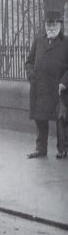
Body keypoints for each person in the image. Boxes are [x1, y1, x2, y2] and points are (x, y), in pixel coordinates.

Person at [25, 9, 68, 159]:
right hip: (40, 86)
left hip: (58, 88)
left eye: (53, 24)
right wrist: (32, 76)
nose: (50, 28)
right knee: (40, 118)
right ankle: (40, 148)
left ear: (60, 25)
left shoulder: (66, 42)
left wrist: (63, 83)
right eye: (48, 24)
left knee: (61, 120)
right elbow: (29, 62)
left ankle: (63, 149)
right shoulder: (38, 40)